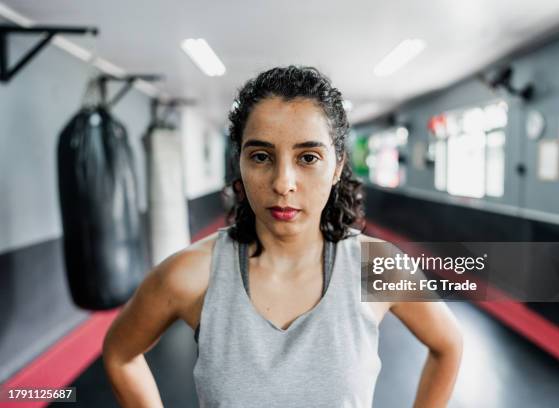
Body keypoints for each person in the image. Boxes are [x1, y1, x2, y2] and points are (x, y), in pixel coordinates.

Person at [103, 66, 463, 407]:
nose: (282, 183)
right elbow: (120, 354)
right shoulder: (194, 274)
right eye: (261, 156)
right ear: (240, 165)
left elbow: (449, 344)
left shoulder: (376, 266)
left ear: (337, 166)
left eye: (308, 158)